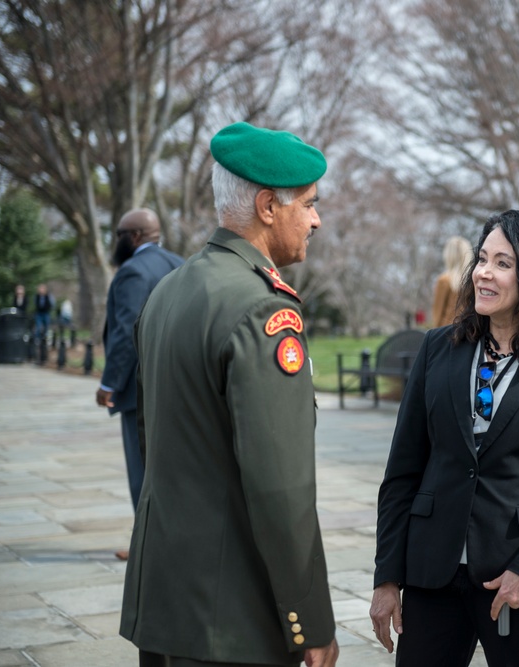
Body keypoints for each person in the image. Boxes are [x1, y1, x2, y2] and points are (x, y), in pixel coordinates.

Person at [119, 122, 339, 667]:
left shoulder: (170, 289)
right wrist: (309, 621)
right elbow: (280, 488)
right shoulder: (264, 309)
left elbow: (153, 444)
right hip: (232, 617)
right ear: (268, 205)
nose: (316, 218)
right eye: (308, 204)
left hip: (165, 600)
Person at [370, 210, 519, 667]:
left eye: (503, 263)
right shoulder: (438, 348)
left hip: (512, 581)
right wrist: (386, 578)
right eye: (482, 259)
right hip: (431, 573)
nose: (484, 272)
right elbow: (402, 471)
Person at [95, 207, 183, 561]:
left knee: (142, 470)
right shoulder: (180, 262)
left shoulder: (132, 271)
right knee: (172, 469)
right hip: (177, 384)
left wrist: (109, 383)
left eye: (118, 234)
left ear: (133, 237)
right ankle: (173, 541)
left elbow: (125, 333)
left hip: (139, 388)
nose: (116, 242)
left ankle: (149, 546)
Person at [431, 235, 473, 327]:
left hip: (447, 332)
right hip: (469, 332)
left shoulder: (444, 281)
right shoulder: (473, 281)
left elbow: (438, 314)